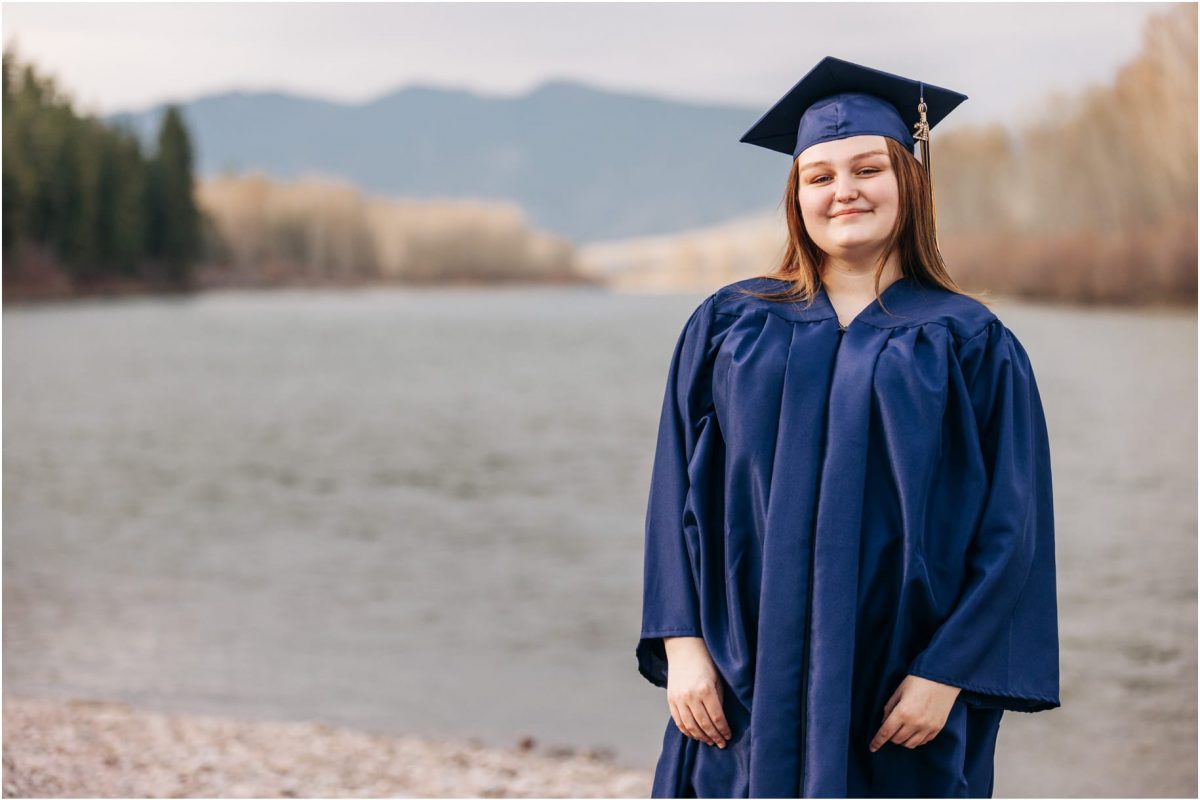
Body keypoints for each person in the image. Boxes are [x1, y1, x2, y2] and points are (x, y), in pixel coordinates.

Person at [636, 56, 1061, 798]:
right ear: (796, 196)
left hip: (896, 687)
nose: (844, 192)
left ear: (910, 180)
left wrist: (943, 674)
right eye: (820, 176)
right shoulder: (731, 325)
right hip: (741, 675)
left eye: (868, 168)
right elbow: (675, 490)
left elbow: (1013, 526)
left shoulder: (969, 341)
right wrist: (684, 648)